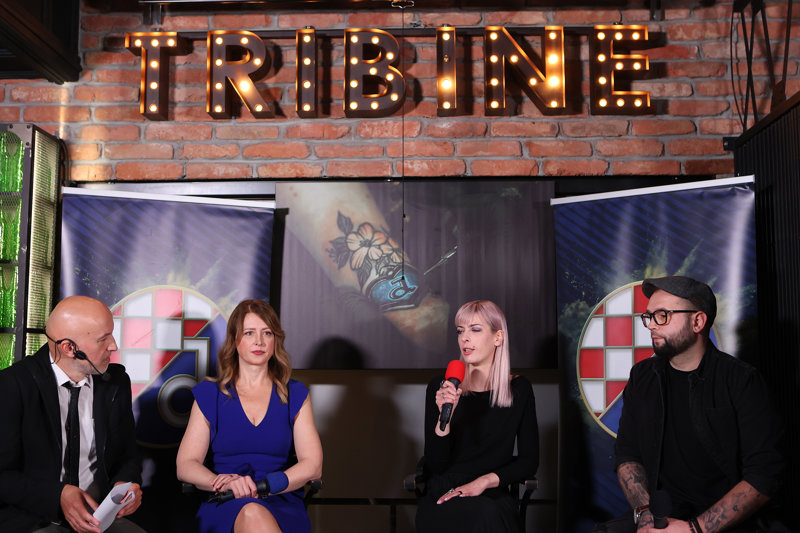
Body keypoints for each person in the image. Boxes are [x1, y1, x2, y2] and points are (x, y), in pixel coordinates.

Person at [613, 276, 784, 533]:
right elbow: (627, 454)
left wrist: (695, 529)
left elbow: (765, 474)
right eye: (649, 316)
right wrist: (646, 513)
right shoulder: (642, 376)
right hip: (658, 518)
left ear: (698, 322)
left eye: (662, 315)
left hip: (724, 525)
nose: (651, 325)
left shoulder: (741, 380)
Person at [176, 299, 323, 533]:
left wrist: (265, 486)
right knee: (252, 511)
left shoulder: (295, 394)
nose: (259, 341)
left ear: (275, 340)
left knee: (255, 512)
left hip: (280, 499)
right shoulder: (210, 394)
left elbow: (313, 466)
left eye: (267, 333)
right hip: (226, 499)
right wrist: (224, 483)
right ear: (234, 340)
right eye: (249, 333)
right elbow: (185, 465)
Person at [0, 295, 144, 533]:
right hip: (35, 519)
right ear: (69, 348)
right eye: (103, 339)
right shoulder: (12, 385)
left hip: (99, 517)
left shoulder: (116, 382)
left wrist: (126, 484)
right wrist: (58, 495)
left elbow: (126, 455)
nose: (114, 345)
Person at [415, 300, 539, 533]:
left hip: (491, 492)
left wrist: (484, 482)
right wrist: (444, 421)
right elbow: (436, 463)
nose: (465, 338)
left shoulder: (519, 389)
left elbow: (528, 461)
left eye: (475, 329)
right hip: (444, 492)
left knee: (486, 514)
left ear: (498, 337)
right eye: (460, 331)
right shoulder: (441, 387)